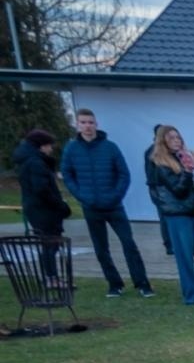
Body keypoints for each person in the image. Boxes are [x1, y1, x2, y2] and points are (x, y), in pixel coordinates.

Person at [59, 109, 153, 298]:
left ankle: (142, 283)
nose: (87, 126)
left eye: (90, 122)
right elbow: (67, 175)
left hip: (114, 205)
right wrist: (81, 195)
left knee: (129, 243)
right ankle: (114, 284)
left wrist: (116, 195)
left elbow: (123, 174)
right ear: (78, 125)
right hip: (90, 206)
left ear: (96, 124)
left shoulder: (110, 147)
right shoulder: (71, 149)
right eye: (83, 122)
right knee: (101, 248)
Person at [148, 126, 194, 305]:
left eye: (178, 137)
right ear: (163, 141)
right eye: (171, 138)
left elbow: (192, 184)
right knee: (185, 257)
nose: (177, 141)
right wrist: (187, 172)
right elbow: (177, 189)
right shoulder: (161, 163)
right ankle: (193, 295)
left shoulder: (185, 158)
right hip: (177, 213)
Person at [14, 129, 74, 285]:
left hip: (37, 209)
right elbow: (42, 190)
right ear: (41, 146)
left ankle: (50, 276)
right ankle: (51, 278)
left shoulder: (29, 161)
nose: (51, 149)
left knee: (48, 245)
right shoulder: (36, 163)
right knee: (50, 244)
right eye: (49, 145)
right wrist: (60, 206)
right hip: (44, 211)